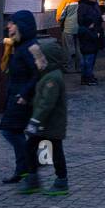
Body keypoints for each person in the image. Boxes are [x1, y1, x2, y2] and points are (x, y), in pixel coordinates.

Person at [21, 36, 71, 195]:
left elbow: (46, 104)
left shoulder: (52, 78)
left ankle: (61, 180)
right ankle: (33, 177)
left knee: (54, 152)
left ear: (48, 60)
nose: (36, 62)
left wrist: (34, 121)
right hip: (45, 125)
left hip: (51, 124)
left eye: (39, 58)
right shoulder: (47, 74)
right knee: (37, 150)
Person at [0, 10, 46, 183]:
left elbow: (41, 69)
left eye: (12, 23)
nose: (8, 26)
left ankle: (28, 165)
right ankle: (24, 168)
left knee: (10, 130)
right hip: (16, 94)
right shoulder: (18, 45)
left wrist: (25, 94)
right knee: (15, 131)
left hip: (23, 97)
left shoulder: (31, 46)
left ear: (21, 26)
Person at [75, 0, 105, 86]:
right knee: (88, 56)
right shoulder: (83, 6)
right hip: (87, 34)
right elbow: (81, 20)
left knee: (92, 56)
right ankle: (87, 77)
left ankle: (88, 75)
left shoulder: (95, 5)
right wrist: (90, 24)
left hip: (95, 33)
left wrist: (100, 19)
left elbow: (97, 17)